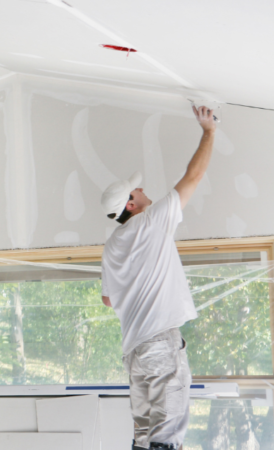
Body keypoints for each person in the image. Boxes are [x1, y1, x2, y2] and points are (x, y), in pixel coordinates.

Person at [100, 105, 216, 450]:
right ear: (132, 205)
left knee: (145, 436)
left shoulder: (111, 246)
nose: (143, 190)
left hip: (134, 350)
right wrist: (209, 131)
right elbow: (193, 177)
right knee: (164, 439)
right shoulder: (151, 222)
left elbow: (109, 299)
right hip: (159, 345)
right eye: (137, 191)